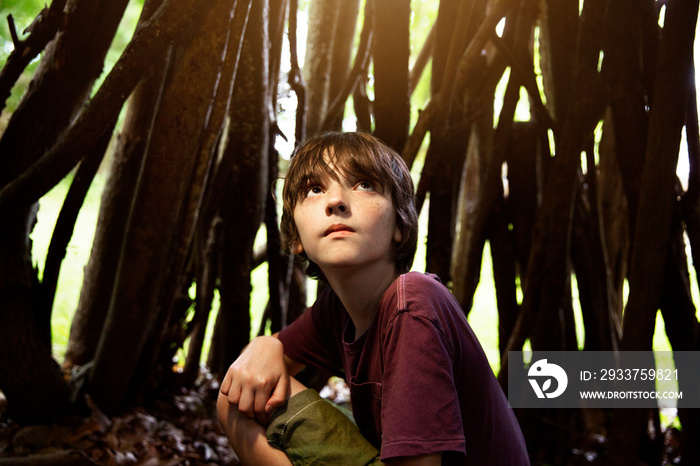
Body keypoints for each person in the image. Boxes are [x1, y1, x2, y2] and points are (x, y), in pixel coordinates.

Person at [217, 131, 530, 465]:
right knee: (240, 395)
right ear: (296, 238)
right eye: (314, 189)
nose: (335, 201)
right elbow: (238, 391)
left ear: (400, 223)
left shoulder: (412, 304)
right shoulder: (336, 311)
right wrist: (265, 345)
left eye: (364, 184)